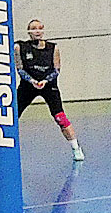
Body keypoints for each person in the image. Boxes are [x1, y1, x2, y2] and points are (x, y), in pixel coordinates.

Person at [15, 19, 84, 161]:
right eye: (34, 28)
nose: (37, 31)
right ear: (29, 31)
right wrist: (32, 81)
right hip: (28, 86)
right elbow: (20, 68)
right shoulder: (20, 47)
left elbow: (57, 69)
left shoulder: (53, 48)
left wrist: (45, 81)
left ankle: (76, 149)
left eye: (40, 28)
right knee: (12, 115)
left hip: (48, 86)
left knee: (60, 118)